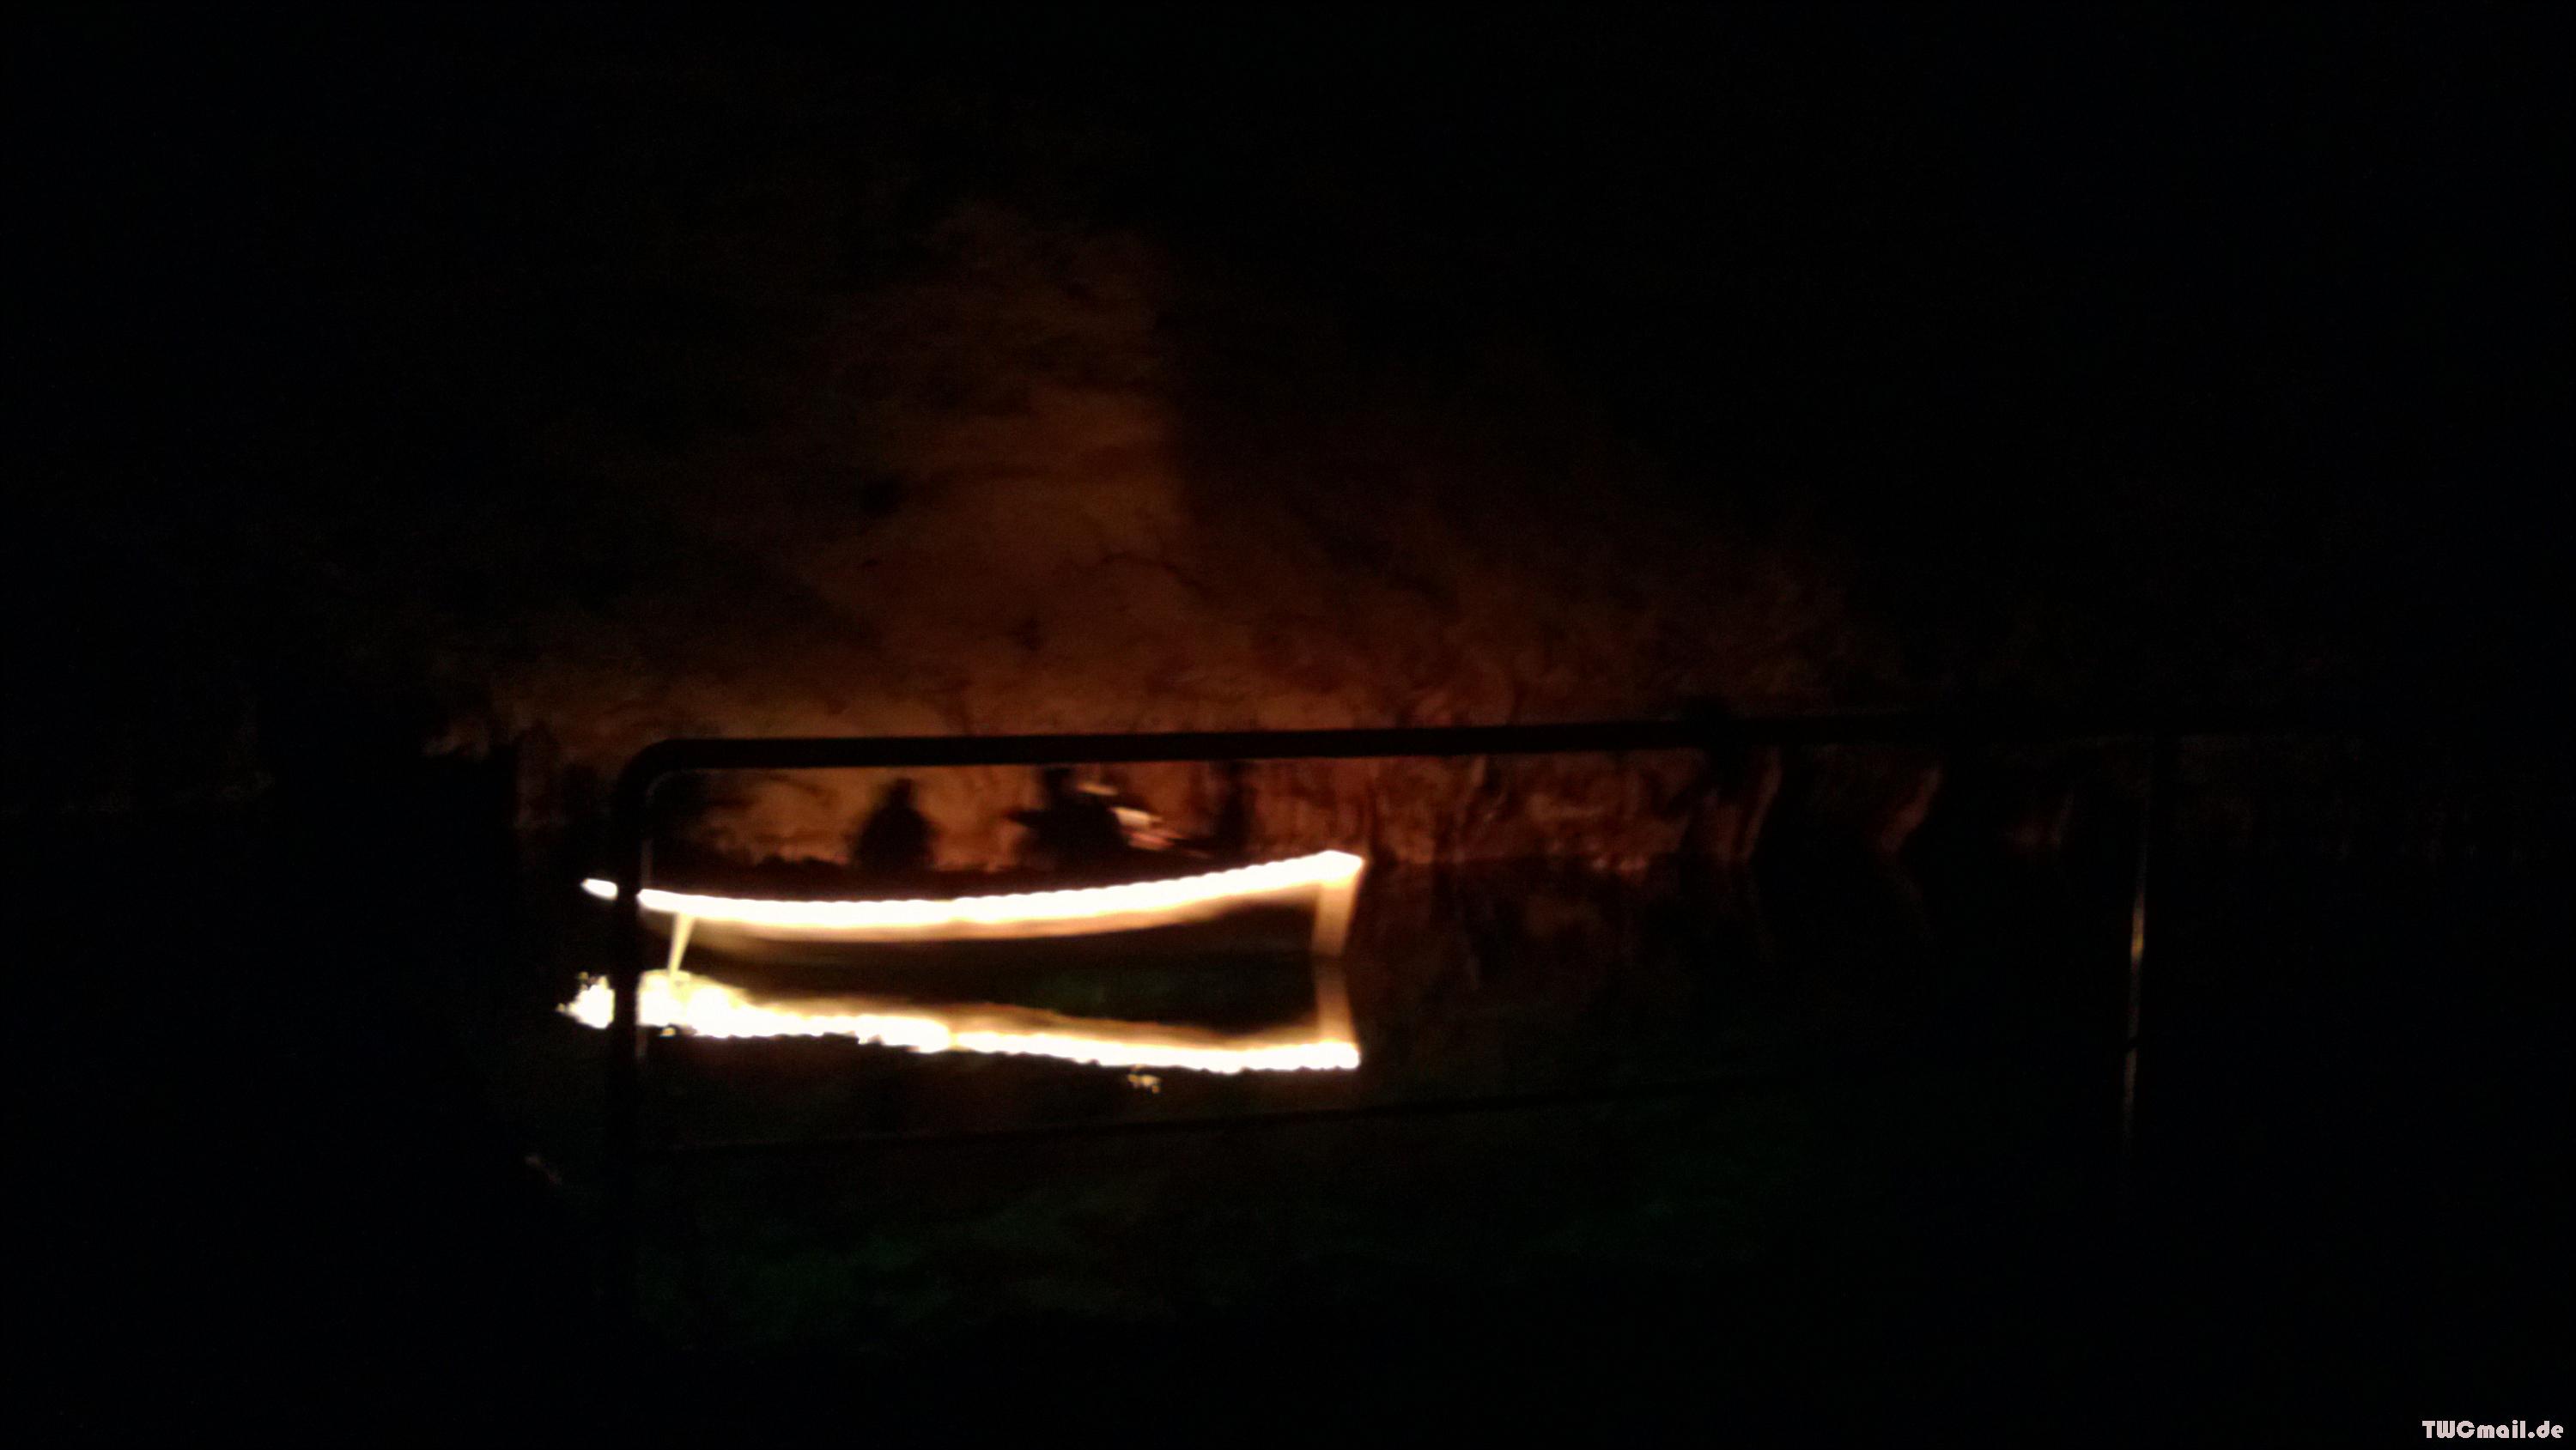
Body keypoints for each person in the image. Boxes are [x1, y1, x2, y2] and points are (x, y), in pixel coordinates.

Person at [1010, 767, 1130, 877]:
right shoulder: (1091, 808)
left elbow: (1057, 820)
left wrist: (1021, 816)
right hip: (1093, 868)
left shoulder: (1074, 811)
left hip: (1081, 868)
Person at [851, 777, 935, 881]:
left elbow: (863, 847)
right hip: (901, 874)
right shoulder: (913, 819)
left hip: (880, 873)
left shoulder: (880, 818)